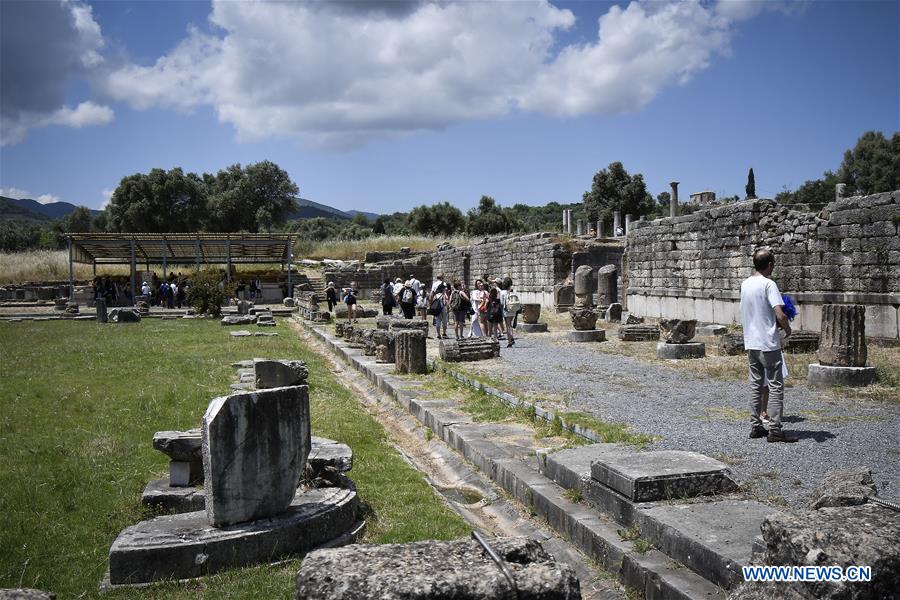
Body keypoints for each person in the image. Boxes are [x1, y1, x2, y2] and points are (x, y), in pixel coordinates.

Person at [740, 248, 795, 443]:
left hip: (751, 342)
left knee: (755, 384)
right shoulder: (769, 284)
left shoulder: (745, 284)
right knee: (775, 385)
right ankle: (775, 429)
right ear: (770, 265)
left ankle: (756, 426)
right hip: (768, 343)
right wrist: (787, 329)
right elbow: (779, 313)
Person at [500, 277, 518, 348]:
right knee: (510, 324)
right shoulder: (513, 291)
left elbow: (501, 302)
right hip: (513, 309)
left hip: (506, 309)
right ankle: (512, 337)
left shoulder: (502, 292)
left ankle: (510, 341)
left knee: (508, 325)